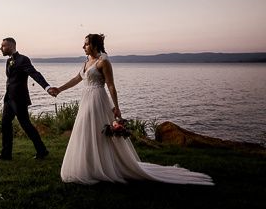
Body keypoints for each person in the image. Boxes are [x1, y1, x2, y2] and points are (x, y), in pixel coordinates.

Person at [56, 34, 214, 185]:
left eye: (86, 43)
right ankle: (90, 166)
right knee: (85, 131)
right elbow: (77, 79)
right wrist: (59, 89)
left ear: (95, 45)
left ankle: (107, 166)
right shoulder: (86, 62)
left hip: (98, 100)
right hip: (86, 100)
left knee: (100, 132)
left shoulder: (103, 62)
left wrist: (116, 108)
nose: (83, 46)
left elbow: (111, 85)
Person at [0, 37, 59, 160]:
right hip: (9, 98)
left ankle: (42, 150)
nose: (1, 48)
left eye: (3, 46)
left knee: (26, 124)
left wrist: (47, 87)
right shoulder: (8, 62)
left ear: (11, 46)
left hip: (19, 99)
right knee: (5, 123)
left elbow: (35, 74)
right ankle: (6, 154)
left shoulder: (23, 59)